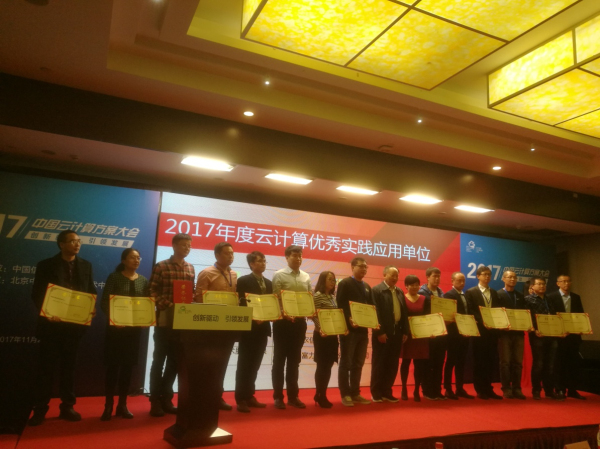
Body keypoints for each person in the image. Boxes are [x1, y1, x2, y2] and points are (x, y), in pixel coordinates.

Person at [28, 230, 97, 426]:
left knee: (69, 368)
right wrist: (48, 312)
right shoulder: (46, 265)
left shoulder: (86, 265)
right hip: (51, 326)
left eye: (79, 241)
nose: (77, 244)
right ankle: (40, 409)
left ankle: (67, 406)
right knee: (46, 370)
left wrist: (90, 308)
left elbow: (90, 290)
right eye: (73, 241)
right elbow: (37, 293)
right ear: (61, 244)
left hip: (74, 327)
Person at [148, 233, 195, 417]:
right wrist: (169, 305)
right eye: (183, 245)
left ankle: (166, 398)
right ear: (174, 246)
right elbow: (151, 290)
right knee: (159, 361)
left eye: (189, 245)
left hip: (182, 323)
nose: (187, 248)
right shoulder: (161, 266)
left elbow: (190, 293)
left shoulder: (190, 268)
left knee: (175, 362)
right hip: (164, 321)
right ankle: (154, 401)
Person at [100, 248, 149, 420]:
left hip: (133, 332)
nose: (136, 260)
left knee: (128, 368)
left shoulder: (143, 280)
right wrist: (114, 319)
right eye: (132, 257)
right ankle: (108, 406)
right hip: (116, 330)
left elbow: (146, 304)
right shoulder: (114, 277)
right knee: (113, 368)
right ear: (123, 260)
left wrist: (146, 319)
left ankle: (122, 405)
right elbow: (105, 302)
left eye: (138, 258)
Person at [195, 242, 238, 411]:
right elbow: (199, 298)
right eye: (227, 253)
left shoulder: (233, 274)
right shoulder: (206, 273)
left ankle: (217, 396)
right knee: (208, 363)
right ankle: (203, 397)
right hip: (210, 327)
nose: (231, 256)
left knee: (222, 363)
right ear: (217, 255)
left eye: (232, 253)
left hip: (227, 326)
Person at [271, 245, 312, 409]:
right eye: (295, 255)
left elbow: (308, 299)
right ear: (287, 257)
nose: (298, 258)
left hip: (299, 324)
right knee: (279, 361)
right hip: (283, 323)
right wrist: (283, 313)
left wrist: (311, 311)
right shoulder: (279, 275)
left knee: (294, 362)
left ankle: (293, 397)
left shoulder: (306, 276)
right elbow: (275, 299)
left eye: (300, 255)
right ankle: (278, 397)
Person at [234, 251, 272, 413]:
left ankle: (250, 395)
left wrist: (271, 315)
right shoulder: (243, 281)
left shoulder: (269, 283)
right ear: (251, 264)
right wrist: (253, 317)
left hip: (263, 328)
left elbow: (270, 304)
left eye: (264, 261)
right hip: (248, 328)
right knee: (244, 364)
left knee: (255, 364)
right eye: (259, 261)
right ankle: (240, 398)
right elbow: (241, 303)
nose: (263, 263)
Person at [336, 257, 374, 407]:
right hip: (349, 330)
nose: (364, 269)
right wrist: (349, 319)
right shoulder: (345, 283)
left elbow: (371, 307)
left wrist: (373, 321)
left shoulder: (367, 286)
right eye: (361, 266)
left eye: (366, 267)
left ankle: (355, 393)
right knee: (346, 362)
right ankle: (345, 394)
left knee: (358, 363)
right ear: (352, 267)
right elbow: (340, 305)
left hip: (363, 331)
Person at [370, 266, 408, 403]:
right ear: (384, 274)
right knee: (379, 363)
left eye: (397, 276)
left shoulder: (399, 291)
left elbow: (404, 313)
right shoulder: (377, 290)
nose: (395, 278)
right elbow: (375, 312)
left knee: (392, 364)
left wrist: (405, 331)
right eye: (392, 275)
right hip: (383, 333)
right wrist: (379, 332)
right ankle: (376, 393)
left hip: (397, 332)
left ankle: (387, 391)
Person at [465, 265, 503, 400]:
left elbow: (497, 310)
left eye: (489, 275)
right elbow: (471, 310)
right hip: (480, 331)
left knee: (491, 361)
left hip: (492, 331)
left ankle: (489, 388)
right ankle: (480, 389)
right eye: (484, 274)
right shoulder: (471, 292)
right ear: (478, 276)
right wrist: (483, 322)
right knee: (479, 361)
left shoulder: (494, 293)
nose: (487, 277)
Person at [525, 276, 564, 401]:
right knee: (539, 364)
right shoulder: (528, 300)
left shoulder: (549, 299)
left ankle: (549, 391)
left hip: (552, 335)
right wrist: (534, 329)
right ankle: (536, 390)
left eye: (543, 284)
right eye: (539, 284)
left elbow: (555, 316)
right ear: (532, 286)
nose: (542, 286)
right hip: (537, 336)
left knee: (550, 365)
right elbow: (526, 317)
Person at [547, 275, 586, 400]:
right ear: (558, 283)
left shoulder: (576, 297)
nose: (566, 283)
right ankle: (560, 389)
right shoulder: (551, 297)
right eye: (563, 281)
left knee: (573, 364)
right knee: (559, 364)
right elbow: (551, 316)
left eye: (568, 281)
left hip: (573, 336)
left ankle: (572, 390)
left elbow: (581, 315)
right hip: (559, 336)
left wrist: (582, 328)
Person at [442, 272, 474, 400]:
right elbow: (448, 315)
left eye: (463, 280)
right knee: (451, 361)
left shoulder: (464, 295)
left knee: (461, 362)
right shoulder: (449, 295)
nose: (462, 283)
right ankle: (448, 389)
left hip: (464, 333)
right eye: (459, 280)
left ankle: (459, 388)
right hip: (453, 334)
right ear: (452, 281)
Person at [496, 270, 526, 400]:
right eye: (509, 277)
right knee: (505, 363)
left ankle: (517, 388)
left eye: (514, 277)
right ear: (503, 279)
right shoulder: (498, 295)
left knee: (518, 363)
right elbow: (496, 314)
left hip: (518, 333)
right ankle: (506, 388)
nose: (512, 279)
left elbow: (525, 314)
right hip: (504, 334)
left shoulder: (520, 296)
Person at [400, 275, 430, 402]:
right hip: (407, 336)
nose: (414, 287)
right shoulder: (401, 298)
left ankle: (417, 389)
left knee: (419, 365)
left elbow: (428, 317)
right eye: (411, 285)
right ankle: (404, 388)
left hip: (420, 336)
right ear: (406, 286)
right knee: (405, 363)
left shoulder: (424, 299)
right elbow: (401, 317)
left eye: (416, 284)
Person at [312, 271, 339, 408]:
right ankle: (320, 394)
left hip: (332, 335)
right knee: (322, 366)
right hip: (321, 336)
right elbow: (313, 315)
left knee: (328, 365)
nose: (332, 282)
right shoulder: (317, 296)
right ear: (323, 280)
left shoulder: (332, 296)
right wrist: (321, 328)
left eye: (334, 280)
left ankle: (322, 393)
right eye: (330, 279)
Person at [418, 267, 445, 400]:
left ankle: (437, 390)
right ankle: (427, 390)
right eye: (434, 276)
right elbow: (421, 314)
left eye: (439, 276)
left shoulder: (441, 293)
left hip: (441, 333)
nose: (437, 279)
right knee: (428, 363)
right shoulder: (422, 293)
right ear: (428, 277)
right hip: (428, 334)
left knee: (439, 363)